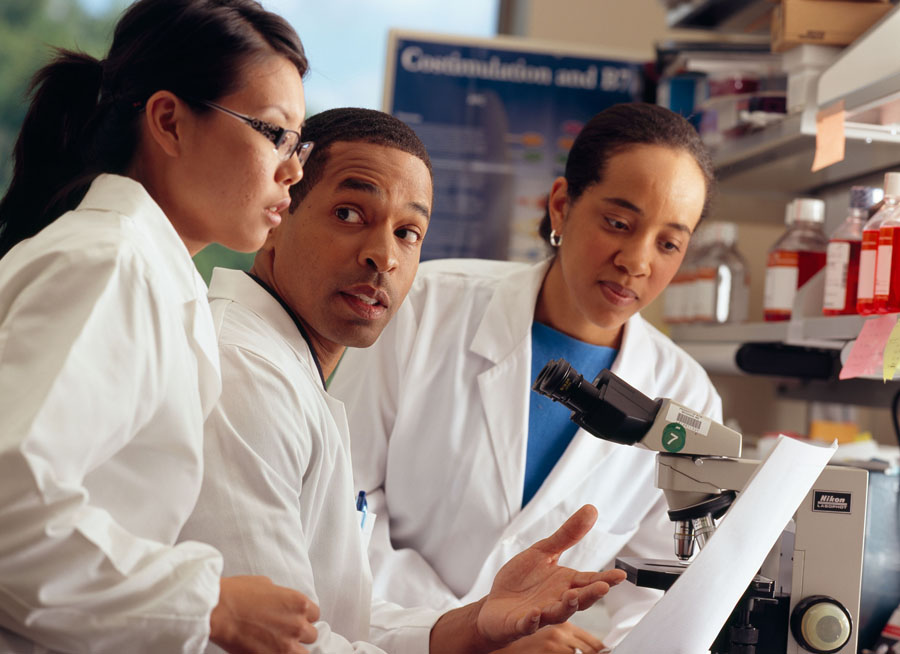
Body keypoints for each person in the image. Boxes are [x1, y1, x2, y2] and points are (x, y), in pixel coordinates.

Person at [178, 107, 627, 654]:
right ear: (278, 213)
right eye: (348, 213)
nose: (383, 256)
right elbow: (279, 642)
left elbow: (331, 610)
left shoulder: (289, 371)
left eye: (408, 232)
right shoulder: (242, 373)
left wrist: (473, 626)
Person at [329, 102, 724, 653]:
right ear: (561, 206)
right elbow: (340, 508)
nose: (636, 260)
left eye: (668, 243)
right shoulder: (423, 307)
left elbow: (662, 593)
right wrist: (478, 631)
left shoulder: (687, 398)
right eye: (618, 223)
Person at [0, 1, 321, 652]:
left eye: (299, 143)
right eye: (272, 133)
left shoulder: (148, 270)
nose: (293, 170)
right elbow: (12, 509)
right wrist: (209, 604)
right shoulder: (111, 264)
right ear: (170, 122)